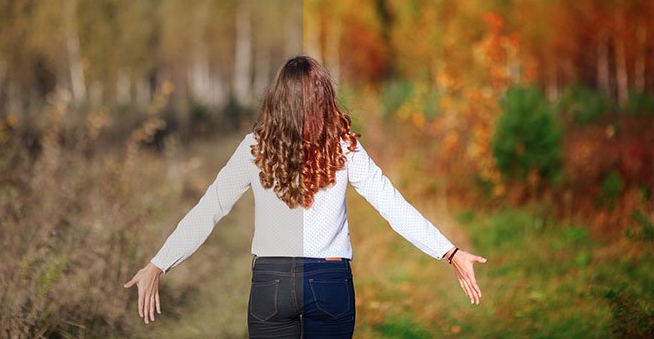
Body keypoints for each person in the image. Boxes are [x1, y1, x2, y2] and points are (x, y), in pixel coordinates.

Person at [124, 55, 487, 337]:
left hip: (271, 282)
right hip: (330, 282)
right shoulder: (344, 147)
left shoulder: (255, 147)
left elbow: (210, 209)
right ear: (324, 98)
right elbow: (392, 205)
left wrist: (159, 262)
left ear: (276, 100)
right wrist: (449, 251)